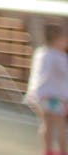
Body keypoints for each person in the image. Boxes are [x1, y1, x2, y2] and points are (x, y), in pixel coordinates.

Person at [26, 22, 68, 155]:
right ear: (57, 39)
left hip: (42, 95)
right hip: (56, 97)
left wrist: (33, 93)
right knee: (60, 125)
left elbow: (37, 75)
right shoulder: (59, 56)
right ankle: (62, 151)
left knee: (46, 124)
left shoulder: (41, 53)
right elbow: (63, 75)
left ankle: (47, 149)